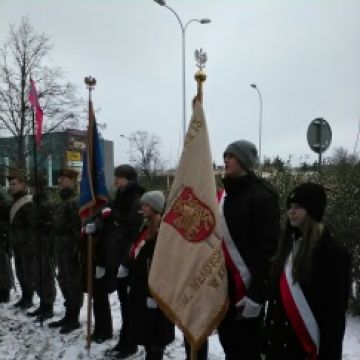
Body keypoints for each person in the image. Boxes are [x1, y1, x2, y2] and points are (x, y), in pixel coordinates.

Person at [263, 182, 351, 360]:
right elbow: (275, 305)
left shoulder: (333, 254)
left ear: (313, 210)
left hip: (306, 350)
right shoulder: (286, 247)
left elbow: (333, 318)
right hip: (278, 349)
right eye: (290, 207)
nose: (291, 211)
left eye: (298, 207)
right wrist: (265, 345)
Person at [217, 140, 280, 360]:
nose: (226, 159)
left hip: (247, 290)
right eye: (225, 155)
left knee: (247, 350)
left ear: (244, 160)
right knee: (229, 346)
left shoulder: (263, 196)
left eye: (231, 155)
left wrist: (256, 295)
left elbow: (268, 250)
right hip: (223, 289)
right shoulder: (224, 197)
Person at [85, 164, 144, 353]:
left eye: (119, 177)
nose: (115, 180)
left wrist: (113, 216)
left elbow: (132, 232)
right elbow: (109, 220)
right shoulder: (120, 198)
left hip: (125, 259)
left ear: (129, 179)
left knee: (128, 305)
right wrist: (97, 223)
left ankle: (130, 344)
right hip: (113, 256)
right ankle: (124, 341)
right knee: (121, 301)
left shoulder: (136, 200)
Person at [127, 190, 174, 360]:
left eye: (146, 204)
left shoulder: (164, 231)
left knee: (156, 336)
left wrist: (155, 293)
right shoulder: (146, 227)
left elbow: (165, 265)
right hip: (142, 289)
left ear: (155, 207)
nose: (143, 207)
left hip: (156, 293)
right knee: (146, 333)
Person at [48, 168, 83, 334]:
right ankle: (68, 314)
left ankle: (74, 317)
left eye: (63, 178)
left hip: (70, 248)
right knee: (63, 280)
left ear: (73, 181)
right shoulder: (61, 201)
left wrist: (76, 248)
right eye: (59, 178)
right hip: (60, 247)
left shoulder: (75, 201)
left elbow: (78, 228)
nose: (60, 181)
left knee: (72, 282)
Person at [26, 173, 56, 321]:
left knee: (46, 276)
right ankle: (42, 303)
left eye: (31, 186)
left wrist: (44, 226)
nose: (30, 189)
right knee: (36, 275)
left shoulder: (46, 203)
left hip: (45, 244)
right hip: (34, 243)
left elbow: (53, 225)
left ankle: (48, 306)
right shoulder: (34, 203)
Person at [8, 171, 34, 309]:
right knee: (20, 271)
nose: (11, 186)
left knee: (27, 271)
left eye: (14, 184)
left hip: (26, 244)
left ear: (23, 184)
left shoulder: (28, 201)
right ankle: (25, 296)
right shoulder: (14, 200)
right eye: (10, 184)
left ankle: (28, 298)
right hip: (17, 243)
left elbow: (30, 225)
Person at [0, 190, 13, 303]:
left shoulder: (4, 200)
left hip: (3, 237)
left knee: (4, 266)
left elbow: (8, 220)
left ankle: (5, 292)